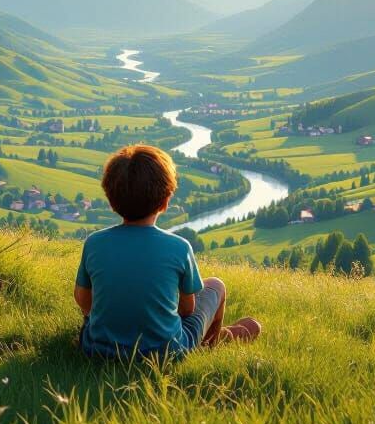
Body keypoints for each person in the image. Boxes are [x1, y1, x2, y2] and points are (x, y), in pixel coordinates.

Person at [74, 143, 260, 358]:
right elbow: (187, 310)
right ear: (165, 202)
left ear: (111, 201)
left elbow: (83, 300)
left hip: (96, 350)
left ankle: (220, 337)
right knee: (216, 286)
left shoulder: (94, 243)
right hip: (165, 352)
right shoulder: (179, 247)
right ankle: (211, 344)